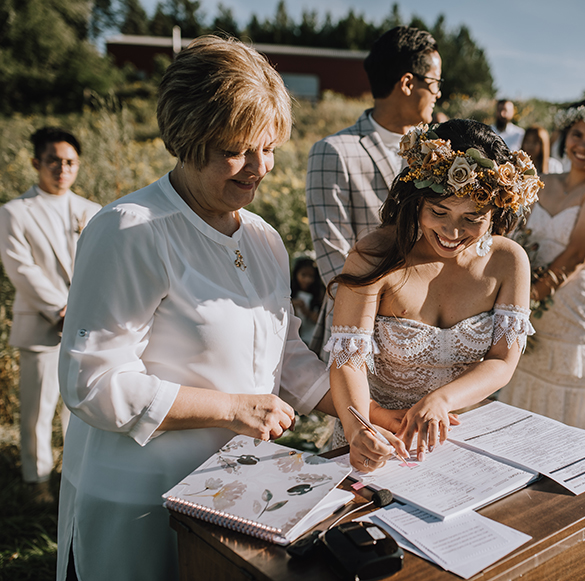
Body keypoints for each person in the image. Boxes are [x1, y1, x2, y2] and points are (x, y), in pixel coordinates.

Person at [55, 36, 338, 581]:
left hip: (236, 493)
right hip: (141, 499)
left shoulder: (264, 239)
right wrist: (232, 407)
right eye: (237, 150)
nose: (261, 167)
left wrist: (361, 411)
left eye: (269, 147)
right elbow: (93, 383)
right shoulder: (130, 230)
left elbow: (284, 355)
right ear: (188, 138)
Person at [326, 119, 540, 471]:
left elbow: (503, 362)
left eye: (472, 218)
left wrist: (442, 400)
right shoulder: (375, 255)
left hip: (460, 438)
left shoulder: (508, 262)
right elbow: (347, 362)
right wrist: (357, 429)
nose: (452, 232)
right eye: (438, 212)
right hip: (375, 434)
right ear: (416, 200)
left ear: (496, 211)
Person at [306, 26, 442, 357]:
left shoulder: (445, 152)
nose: (439, 94)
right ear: (408, 83)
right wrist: (395, 319)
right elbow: (332, 256)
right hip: (362, 335)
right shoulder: (335, 151)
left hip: (438, 329)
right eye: (436, 83)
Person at [498, 102, 585, 433]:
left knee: (565, 414)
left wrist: (523, 302)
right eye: (577, 135)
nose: (583, 145)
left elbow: (577, 255)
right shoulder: (545, 181)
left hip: (571, 310)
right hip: (529, 301)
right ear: (564, 138)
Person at [0, 127, 101, 497]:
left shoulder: (92, 211)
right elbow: (20, 269)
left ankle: (72, 477)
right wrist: (61, 310)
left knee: (78, 410)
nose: (63, 169)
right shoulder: (14, 212)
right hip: (43, 324)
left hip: (88, 326)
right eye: (54, 161)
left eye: (70, 162)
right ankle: (36, 480)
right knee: (38, 408)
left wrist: (87, 311)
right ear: (36, 163)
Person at [291, 256, 324, 346]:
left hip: (311, 341)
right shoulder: (290, 292)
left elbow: (319, 320)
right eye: (303, 275)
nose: (307, 280)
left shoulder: (318, 295)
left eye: (311, 276)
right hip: (294, 338)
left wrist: (305, 311)